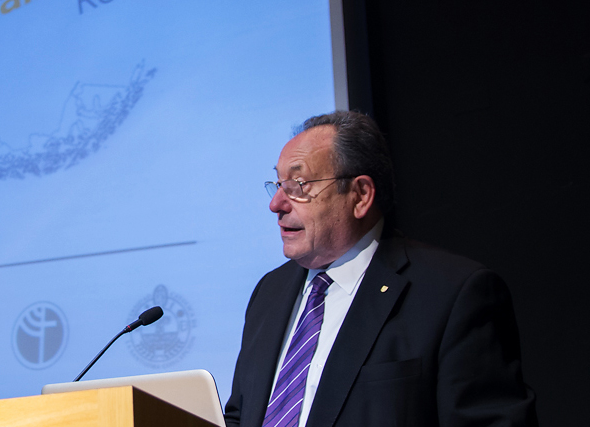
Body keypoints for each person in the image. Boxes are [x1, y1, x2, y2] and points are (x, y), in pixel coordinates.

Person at [223, 110, 537, 427]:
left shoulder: (451, 294)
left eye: (298, 185)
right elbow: (243, 413)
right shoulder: (270, 291)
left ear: (360, 195)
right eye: (278, 184)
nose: (276, 204)